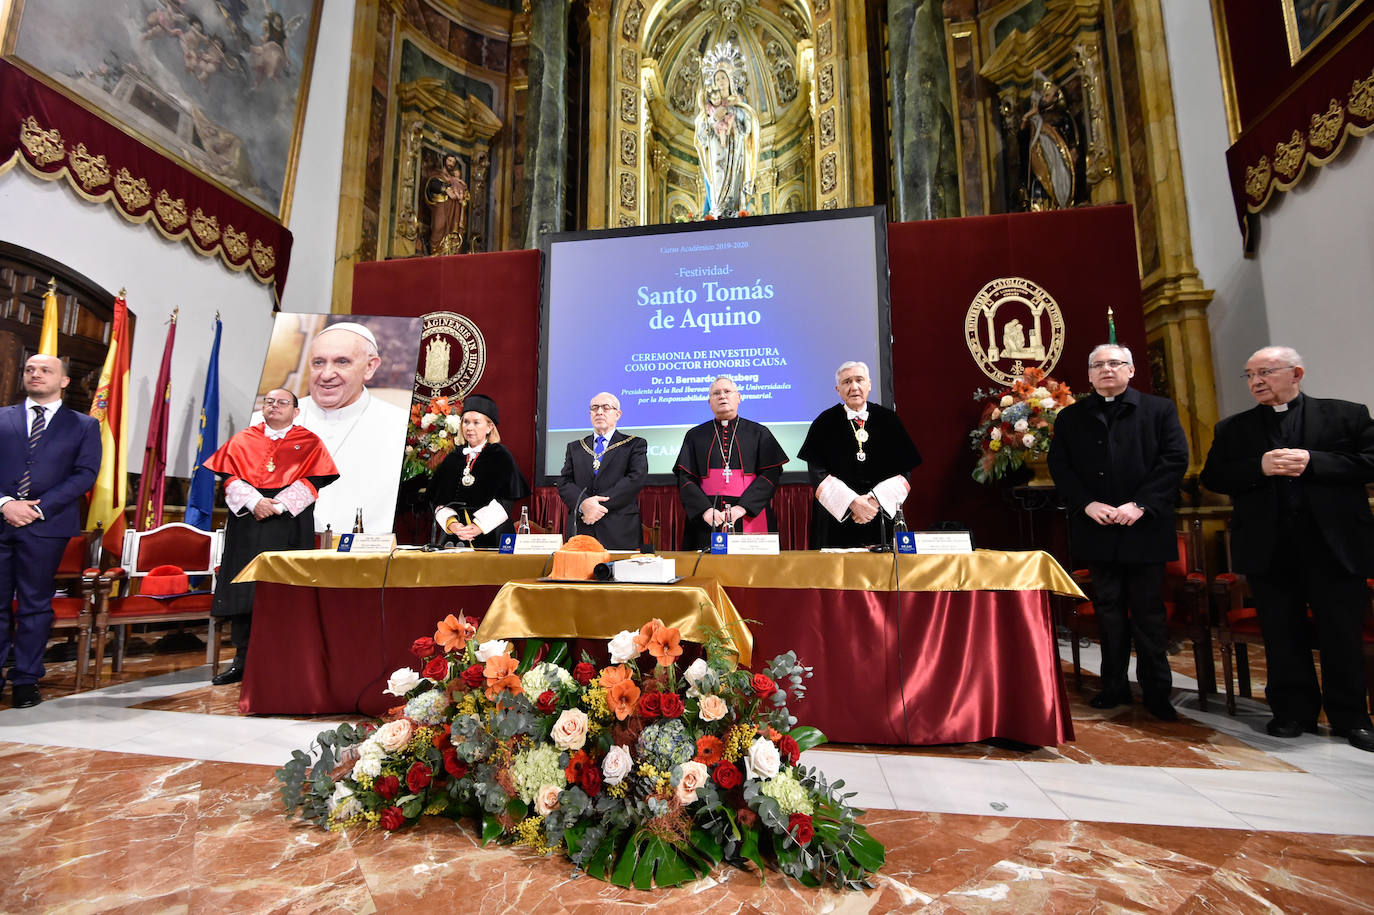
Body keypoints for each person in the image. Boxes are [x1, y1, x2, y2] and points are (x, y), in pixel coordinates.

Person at [1200, 346, 1374, 752]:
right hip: (1270, 547)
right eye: (1249, 375)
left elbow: (1370, 461)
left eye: (1265, 372)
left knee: (1341, 633)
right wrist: (1258, 468)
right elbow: (1214, 476)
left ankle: (1352, 717)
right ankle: (1293, 713)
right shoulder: (1233, 428)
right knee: (1281, 633)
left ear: (1296, 373)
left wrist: (1315, 461)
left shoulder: (1346, 415)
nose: (1256, 382)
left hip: (1334, 546)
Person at [1048, 344, 1188, 721]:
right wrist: (1086, 504)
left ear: (1131, 370)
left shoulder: (1159, 410)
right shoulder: (1071, 417)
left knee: (1148, 613)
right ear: (1089, 375)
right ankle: (1113, 686)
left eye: (1115, 363)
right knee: (1108, 612)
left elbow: (1174, 460)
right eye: (1098, 365)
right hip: (1098, 528)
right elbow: (1060, 467)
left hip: (1145, 528)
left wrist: (1140, 504)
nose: (1106, 369)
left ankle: (1157, 691)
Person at [202, 389, 337, 685]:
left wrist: (278, 505)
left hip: (289, 526)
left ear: (296, 411)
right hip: (248, 526)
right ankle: (242, 660)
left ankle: (285, 660)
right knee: (245, 588)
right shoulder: (243, 440)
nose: (274, 406)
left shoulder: (310, 442)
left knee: (285, 591)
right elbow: (229, 477)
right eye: (269, 401)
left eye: (282, 402)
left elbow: (314, 480)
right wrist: (255, 502)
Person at [0, 355, 101, 708]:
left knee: (34, 604)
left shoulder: (84, 425)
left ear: (64, 381)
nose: (36, 374)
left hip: (46, 526)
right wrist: (5, 503)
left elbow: (85, 474)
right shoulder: (2, 417)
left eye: (45, 370)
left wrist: (37, 508)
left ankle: (26, 679)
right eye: (30, 369)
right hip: (0, 519)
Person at [285, 322, 407, 536]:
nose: (326, 374)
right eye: (318, 362)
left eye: (342, 362)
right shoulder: (265, 422)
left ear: (370, 367)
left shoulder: (400, 425)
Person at [799, 361, 921, 548]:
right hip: (835, 519)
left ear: (869, 384)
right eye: (847, 382)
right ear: (838, 389)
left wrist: (873, 501)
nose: (854, 387)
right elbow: (817, 473)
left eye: (859, 380)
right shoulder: (824, 422)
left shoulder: (889, 420)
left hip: (881, 514)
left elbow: (904, 471)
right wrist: (852, 502)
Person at [675, 376, 788, 549]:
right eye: (716, 393)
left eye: (727, 391)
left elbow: (770, 475)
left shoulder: (759, 432)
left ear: (738, 397)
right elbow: (685, 478)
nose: (722, 396)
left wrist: (743, 508)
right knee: (705, 562)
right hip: (708, 516)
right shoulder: (695, 435)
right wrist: (705, 510)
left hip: (749, 512)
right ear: (709, 402)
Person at [429, 394, 530, 548]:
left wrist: (478, 527)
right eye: (466, 422)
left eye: (476, 422)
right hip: (455, 537)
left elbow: (507, 499)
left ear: (490, 427)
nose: (469, 427)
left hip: (493, 535)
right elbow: (438, 499)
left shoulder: (500, 455)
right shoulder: (453, 458)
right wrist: (452, 524)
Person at [557, 392, 648, 549]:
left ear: (618, 414)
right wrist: (584, 504)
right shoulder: (575, 447)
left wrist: (596, 506)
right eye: (594, 408)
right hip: (582, 527)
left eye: (606, 408)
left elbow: (635, 479)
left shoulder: (634, 444)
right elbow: (564, 482)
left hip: (619, 529)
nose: (599, 412)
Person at [693, 42, 760, 219]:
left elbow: (748, 125)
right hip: (716, 153)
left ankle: (735, 209)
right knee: (717, 181)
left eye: (723, 78)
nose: (720, 82)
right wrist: (711, 121)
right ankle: (717, 209)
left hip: (735, 151)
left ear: (730, 80)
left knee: (735, 182)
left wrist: (730, 111)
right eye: (717, 79)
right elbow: (701, 136)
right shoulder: (709, 110)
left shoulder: (739, 106)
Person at [424, 153, 468, 256]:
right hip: (440, 207)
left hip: (454, 211)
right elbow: (432, 185)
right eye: (449, 161)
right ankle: (435, 251)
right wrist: (445, 189)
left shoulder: (454, 179)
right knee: (439, 227)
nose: (451, 164)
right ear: (444, 161)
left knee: (454, 232)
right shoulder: (438, 175)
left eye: (453, 162)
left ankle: (451, 251)